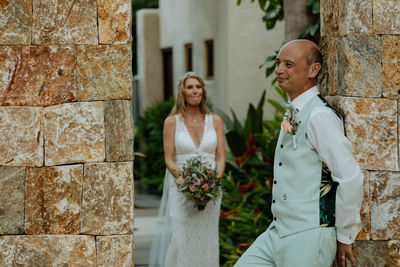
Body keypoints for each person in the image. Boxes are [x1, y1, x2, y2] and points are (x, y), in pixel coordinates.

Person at [234, 40, 363, 267]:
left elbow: (350, 177)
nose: (279, 70)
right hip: (277, 232)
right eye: (278, 62)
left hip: (308, 235)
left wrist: (345, 236)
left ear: (313, 70)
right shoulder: (295, 111)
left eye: (289, 64)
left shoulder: (319, 117)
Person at [148, 72, 225, 267]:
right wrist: (186, 181)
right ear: (182, 91)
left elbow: (221, 157)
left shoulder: (215, 120)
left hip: (210, 192)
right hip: (181, 189)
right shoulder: (172, 122)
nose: (195, 91)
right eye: (190, 87)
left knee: (207, 240)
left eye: (198, 87)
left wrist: (212, 183)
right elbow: (169, 159)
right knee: (181, 240)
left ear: (203, 91)